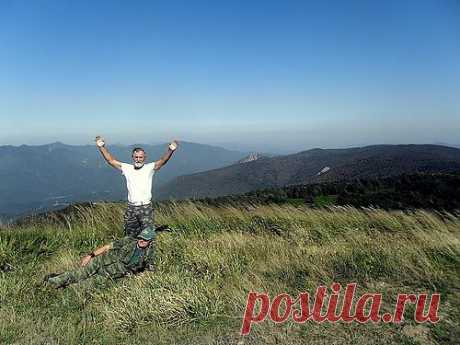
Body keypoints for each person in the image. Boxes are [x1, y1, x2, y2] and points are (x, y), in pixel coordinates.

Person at [95, 136, 178, 241]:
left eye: (140, 157)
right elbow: (110, 160)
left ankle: (147, 255)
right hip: (131, 208)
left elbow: (163, 161)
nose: (138, 159)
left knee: (148, 236)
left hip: (145, 207)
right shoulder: (127, 168)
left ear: (144, 157)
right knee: (130, 236)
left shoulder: (149, 168)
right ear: (133, 157)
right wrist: (101, 147)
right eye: (136, 157)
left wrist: (170, 150)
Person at [45, 226, 157, 288]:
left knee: (82, 286)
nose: (142, 240)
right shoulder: (128, 241)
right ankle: (50, 283)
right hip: (100, 262)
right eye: (141, 237)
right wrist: (90, 256)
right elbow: (107, 247)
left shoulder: (149, 253)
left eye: (146, 239)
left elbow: (149, 269)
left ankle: (60, 285)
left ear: (150, 241)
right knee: (78, 275)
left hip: (110, 275)